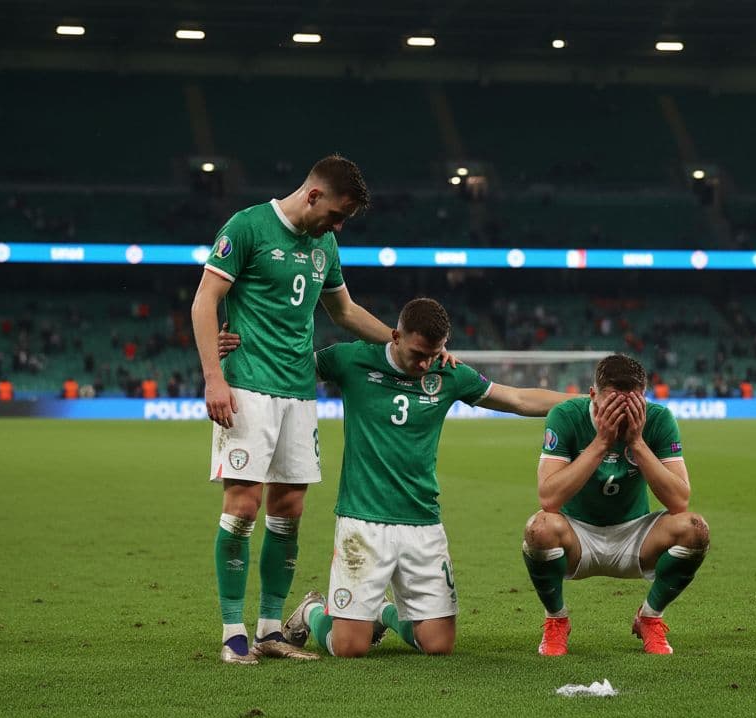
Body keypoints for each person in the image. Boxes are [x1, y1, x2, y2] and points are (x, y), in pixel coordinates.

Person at [191, 154, 418, 665]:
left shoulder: (325, 245)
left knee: (288, 512)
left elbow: (344, 312)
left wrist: (403, 345)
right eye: (336, 215)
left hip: (299, 390)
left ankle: (272, 628)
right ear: (313, 195)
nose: (337, 226)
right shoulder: (247, 227)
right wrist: (213, 378)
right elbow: (205, 301)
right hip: (247, 387)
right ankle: (233, 633)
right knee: (243, 508)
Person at [278, 299, 574, 658]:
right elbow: (292, 367)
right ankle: (313, 609)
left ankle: (384, 613)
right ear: (396, 336)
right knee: (348, 649)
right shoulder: (352, 358)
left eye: (433, 354)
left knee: (439, 645)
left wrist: (586, 404)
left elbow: (517, 398)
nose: (424, 364)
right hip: (362, 520)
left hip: (422, 523)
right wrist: (237, 347)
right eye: (418, 353)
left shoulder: (449, 373)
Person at [521, 354, 708, 656]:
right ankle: (556, 620)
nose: (622, 412)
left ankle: (650, 618)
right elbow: (549, 498)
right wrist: (601, 443)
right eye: (612, 403)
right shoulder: (566, 416)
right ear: (592, 395)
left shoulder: (658, 419)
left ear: (643, 399)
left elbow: (679, 500)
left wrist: (636, 442)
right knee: (540, 528)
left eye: (632, 403)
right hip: (577, 535)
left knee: (695, 530)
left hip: (636, 535)